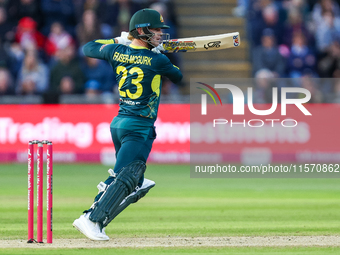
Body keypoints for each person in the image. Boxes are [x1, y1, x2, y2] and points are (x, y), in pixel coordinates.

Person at [72, 8, 183, 241]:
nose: (160, 35)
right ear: (141, 31)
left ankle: (136, 183)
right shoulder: (158, 60)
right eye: (155, 31)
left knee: (132, 176)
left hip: (121, 123)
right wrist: (161, 55)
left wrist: (119, 39)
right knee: (120, 177)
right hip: (137, 126)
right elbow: (178, 76)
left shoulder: (116, 50)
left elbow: (88, 47)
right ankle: (90, 218)